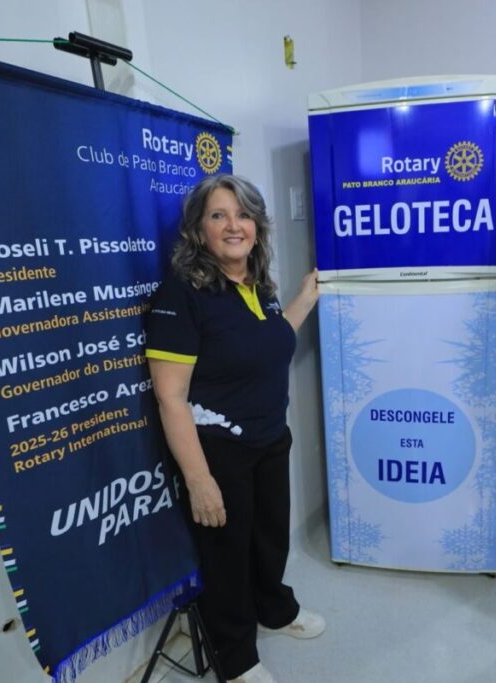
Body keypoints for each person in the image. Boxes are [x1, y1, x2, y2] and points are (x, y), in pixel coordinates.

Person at [146, 174, 321, 683]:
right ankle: (236, 656)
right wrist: (199, 480)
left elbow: (270, 341)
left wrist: (304, 298)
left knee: (269, 540)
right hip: (218, 451)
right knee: (226, 557)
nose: (233, 226)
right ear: (198, 230)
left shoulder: (256, 286)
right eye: (218, 215)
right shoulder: (182, 295)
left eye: (243, 215)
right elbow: (170, 396)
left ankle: (275, 609)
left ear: (257, 227)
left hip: (270, 439)